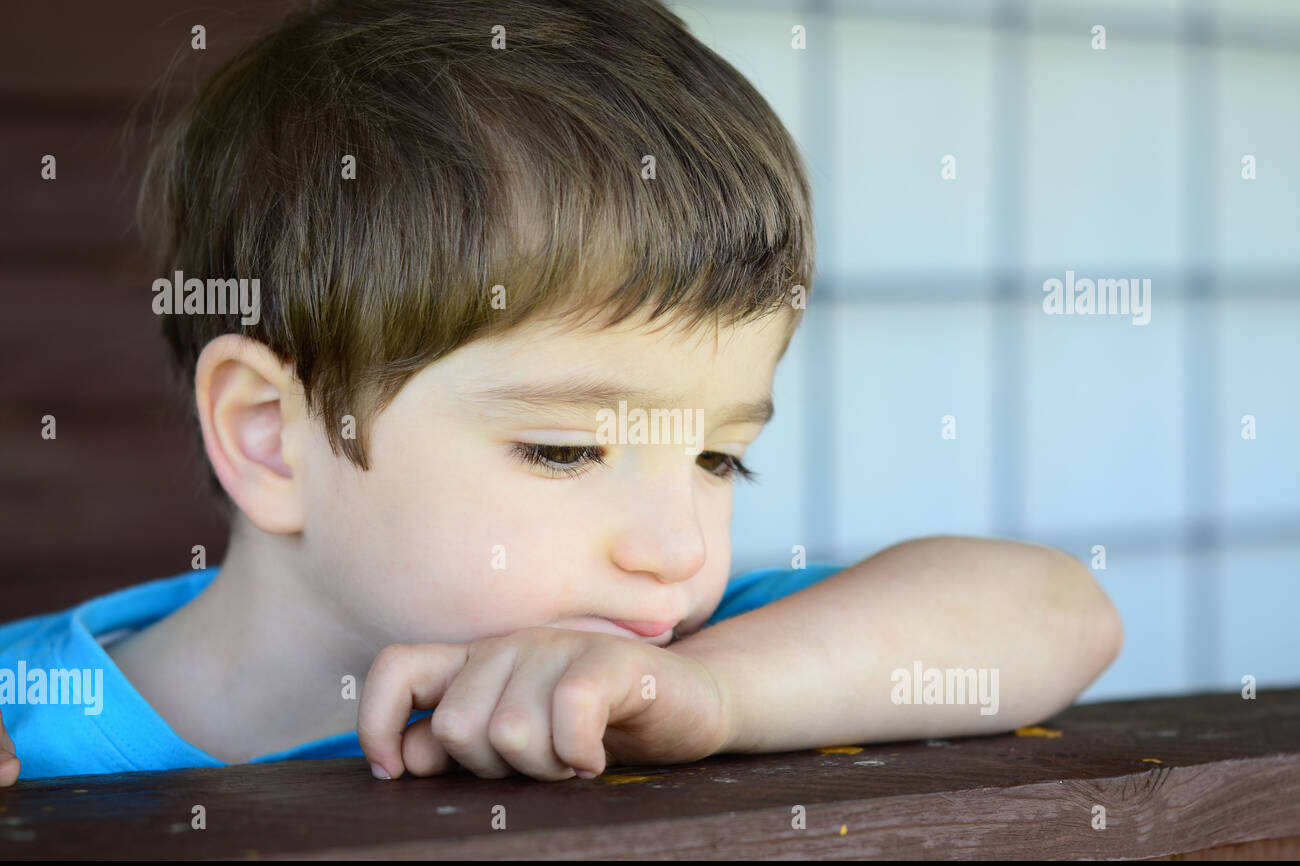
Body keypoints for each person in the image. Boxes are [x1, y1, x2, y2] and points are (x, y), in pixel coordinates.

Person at [0, 0, 1121, 786]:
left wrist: (720, 703)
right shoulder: (25, 716)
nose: (677, 553)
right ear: (273, 438)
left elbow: (1062, 614)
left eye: (718, 459)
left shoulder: (655, 670)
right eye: (566, 451)